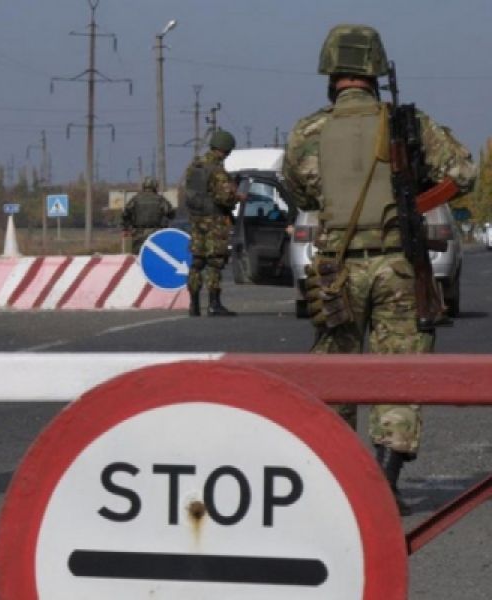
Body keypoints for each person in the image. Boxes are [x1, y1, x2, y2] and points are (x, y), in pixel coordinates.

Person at [283, 24, 476, 514]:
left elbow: (300, 192)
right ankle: (385, 480)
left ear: (332, 73)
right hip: (398, 265)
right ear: (376, 71)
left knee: (336, 371)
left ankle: (338, 479)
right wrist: (414, 195)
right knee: (400, 371)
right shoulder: (407, 124)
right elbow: (463, 173)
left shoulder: (307, 131)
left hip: (336, 270)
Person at [183, 129, 242, 317]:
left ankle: (194, 305)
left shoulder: (194, 167)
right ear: (226, 149)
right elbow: (225, 198)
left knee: (197, 262)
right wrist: (237, 196)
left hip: (196, 220)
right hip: (214, 222)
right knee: (215, 262)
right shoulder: (217, 171)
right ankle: (214, 304)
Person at [121, 176, 175, 255]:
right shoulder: (160, 199)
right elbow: (171, 213)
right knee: (156, 255)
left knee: (138, 256)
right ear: (155, 186)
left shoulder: (135, 199)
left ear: (144, 186)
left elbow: (125, 214)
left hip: (139, 233)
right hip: (156, 233)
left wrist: (126, 227)